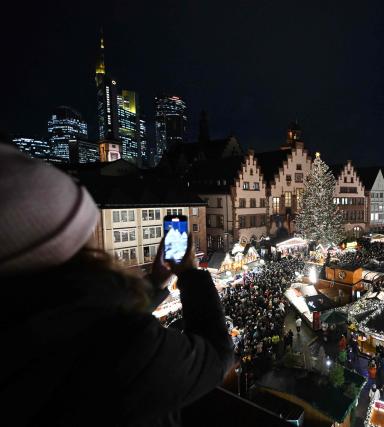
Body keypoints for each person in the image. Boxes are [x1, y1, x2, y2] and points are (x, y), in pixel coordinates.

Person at [0, 145, 234, 426]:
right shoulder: (126, 345)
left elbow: (98, 315)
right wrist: (189, 274)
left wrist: (157, 282)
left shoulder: (23, 326)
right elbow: (217, 356)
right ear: (70, 247)